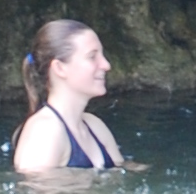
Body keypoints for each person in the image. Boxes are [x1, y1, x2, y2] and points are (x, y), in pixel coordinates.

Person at [12, 17, 129, 174]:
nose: (106, 65)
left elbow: (124, 174)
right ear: (60, 68)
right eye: (92, 57)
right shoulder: (44, 133)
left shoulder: (95, 126)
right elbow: (38, 188)